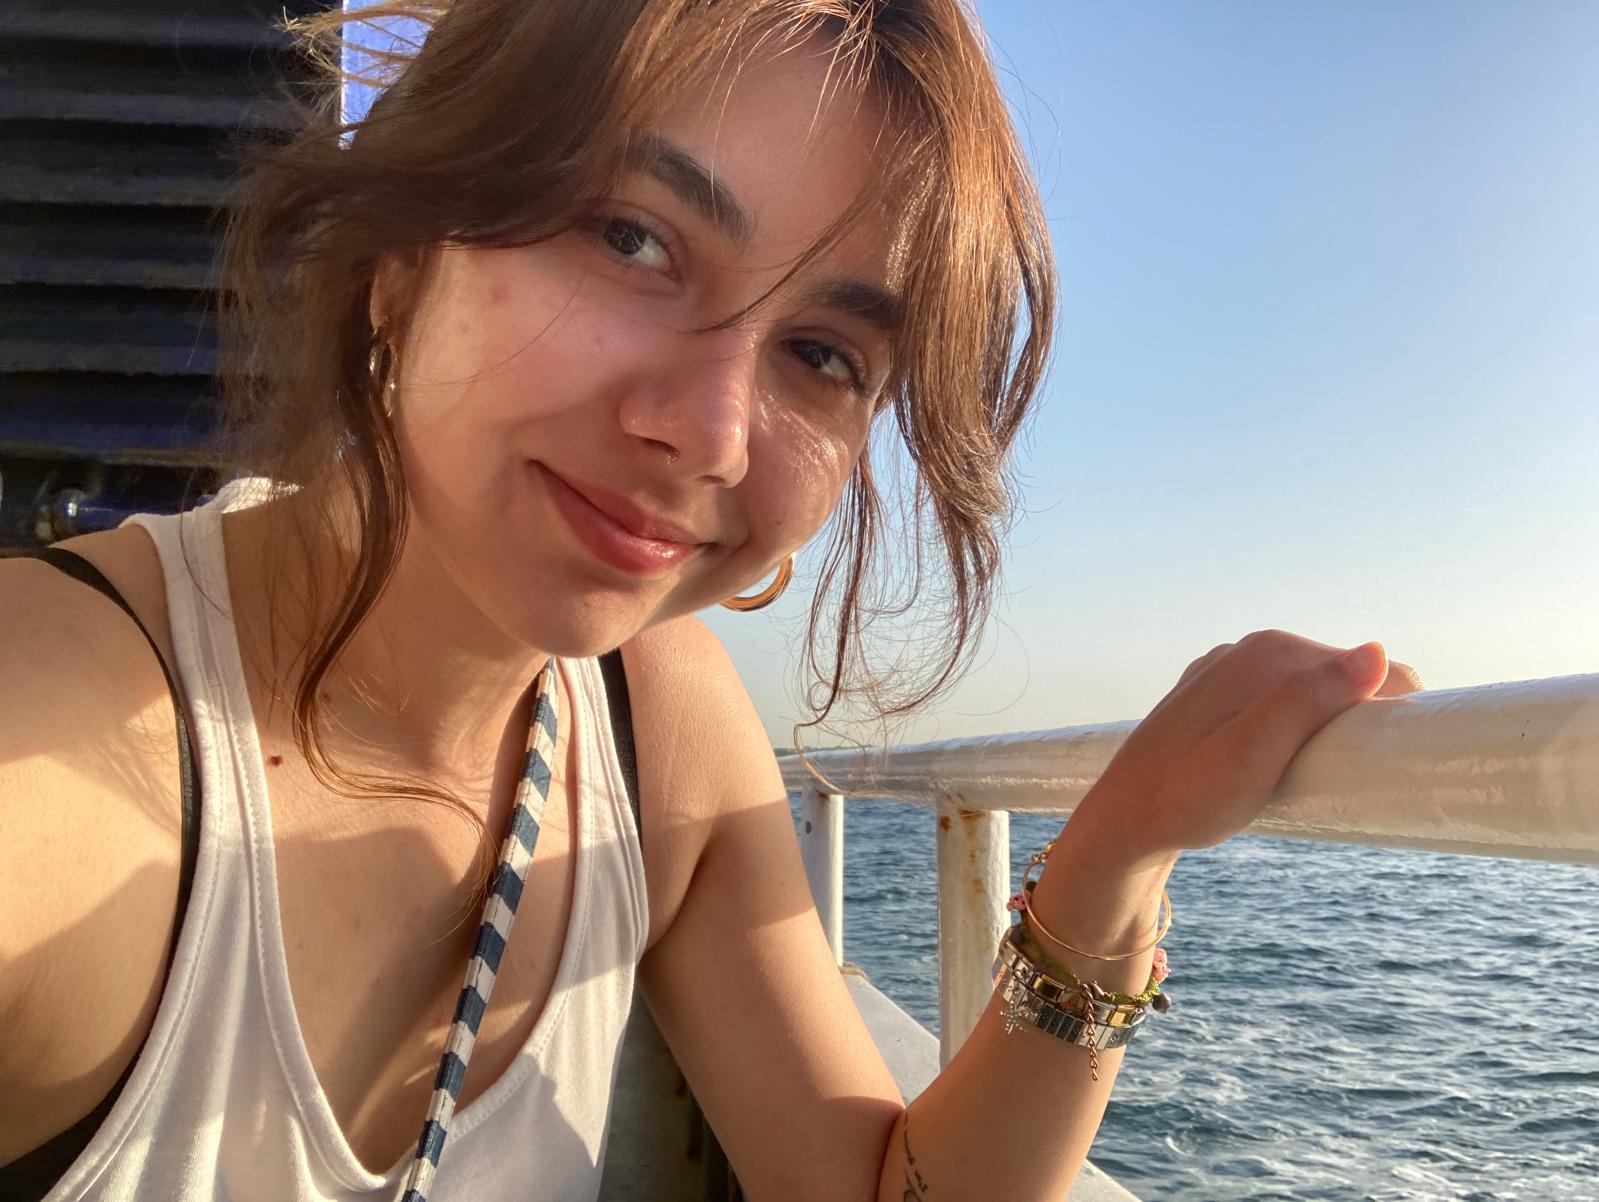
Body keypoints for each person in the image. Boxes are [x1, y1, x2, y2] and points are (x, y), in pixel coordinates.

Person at [0, 2, 1424, 1199]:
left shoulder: (654, 722)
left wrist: (1108, 868)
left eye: (822, 354)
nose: (712, 432)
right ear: (400, 251)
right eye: (633, 238)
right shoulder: (53, 741)